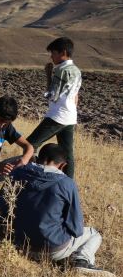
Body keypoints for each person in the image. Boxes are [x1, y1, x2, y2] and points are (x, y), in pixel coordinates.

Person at [0, 144, 116, 277]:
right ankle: (81, 262)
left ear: (36, 159)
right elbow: (76, 229)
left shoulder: (17, 173)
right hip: (52, 249)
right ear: (62, 165)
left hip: (16, 242)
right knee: (93, 234)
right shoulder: (66, 183)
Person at [26, 37, 81, 178]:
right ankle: (68, 184)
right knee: (67, 153)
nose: (51, 56)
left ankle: (34, 175)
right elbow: (76, 97)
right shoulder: (76, 71)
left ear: (63, 52)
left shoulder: (61, 70)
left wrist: (48, 75)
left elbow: (52, 96)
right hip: (70, 116)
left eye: (53, 53)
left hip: (57, 116)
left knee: (30, 144)